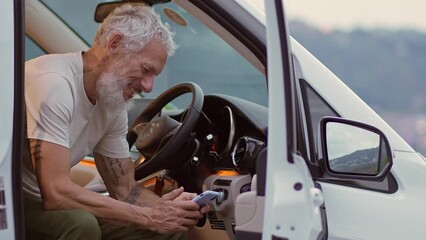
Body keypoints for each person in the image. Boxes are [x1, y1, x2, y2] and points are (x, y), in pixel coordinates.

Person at [23, 4, 208, 240]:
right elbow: (56, 192)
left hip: (40, 201)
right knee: (81, 225)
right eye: (145, 69)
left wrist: (163, 209)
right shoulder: (54, 83)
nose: (148, 86)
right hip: (9, 198)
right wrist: (151, 217)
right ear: (114, 44)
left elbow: (125, 190)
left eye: (154, 76)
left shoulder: (112, 102)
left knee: (170, 227)